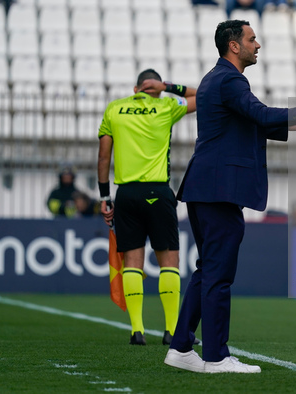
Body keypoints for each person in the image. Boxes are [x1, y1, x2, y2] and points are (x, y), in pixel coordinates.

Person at [164, 20, 296, 374]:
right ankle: (215, 357)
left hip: (205, 187)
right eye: (251, 39)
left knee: (207, 270)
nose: (257, 45)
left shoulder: (216, 79)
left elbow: (259, 121)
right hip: (218, 189)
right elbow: (261, 114)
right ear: (234, 46)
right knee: (218, 273)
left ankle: (182, 347)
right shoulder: (231, 80)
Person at [97, 69, 197, 346]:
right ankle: (171, 330)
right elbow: (203, 96)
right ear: (156, 87)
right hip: (158, 191)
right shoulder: (167, 105)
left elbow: (104, 157)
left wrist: (105, 198)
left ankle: (137, 331)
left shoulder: (115, 109)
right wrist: (166, 87)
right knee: (169, 262)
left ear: (135, 88)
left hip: (126, 194)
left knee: (132, 262)